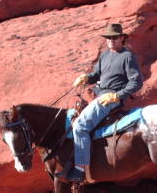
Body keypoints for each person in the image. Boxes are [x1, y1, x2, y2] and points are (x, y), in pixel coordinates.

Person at [58, 23, 143, 182]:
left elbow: (136, 82)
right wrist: (87, 77)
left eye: (114, 37)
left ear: (122, 38)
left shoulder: (127, 56)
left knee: (80, 127)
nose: (111, 40)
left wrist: (117, 95)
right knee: (72, 117)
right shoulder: (105, 55)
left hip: (110, 98)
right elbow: (97, 74)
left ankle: (80, 170)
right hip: (98, 95)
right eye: (108, 37)